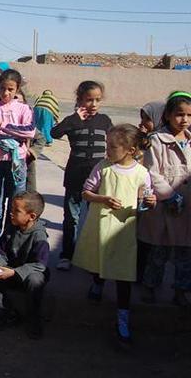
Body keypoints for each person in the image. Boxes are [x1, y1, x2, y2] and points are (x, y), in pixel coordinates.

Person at [74, 124, 154, 347]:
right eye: (107, 145)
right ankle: (97, 283)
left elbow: (145, 201)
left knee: (123, 274)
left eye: (112, 146)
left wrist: (149, 202)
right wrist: (103, 199)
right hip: (101, 226)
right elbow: (86, 192)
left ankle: (123, 320)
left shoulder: (141, 173)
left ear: (129, 149)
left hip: (124, 231)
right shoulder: (103, 167)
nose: (107, 150)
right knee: (99, 261)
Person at [50, 81, 112, 271]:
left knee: (96, 219)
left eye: (97, 100)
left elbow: (116, 141)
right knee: (71, 218)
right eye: (89, 100)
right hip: (75, 177)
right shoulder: (73, 120)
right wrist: (73, 118)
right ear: (80, 100)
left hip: (98, 180)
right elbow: (54, 133)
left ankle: (92, 256)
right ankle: (67, 255)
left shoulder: (104, 120)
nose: (93, 104)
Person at [138, 91, 191, 307]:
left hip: (187, 209)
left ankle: (180, 290)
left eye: (189, 115)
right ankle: (150, 288)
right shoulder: (157, 140)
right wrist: (170, 196)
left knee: (185, 255)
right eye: (179, 114)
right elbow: (152, 172)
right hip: (165, 206)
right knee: (158, 253)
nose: (184, 120)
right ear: (167, 115)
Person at [0, 191, 49, 339]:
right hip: (10, 271)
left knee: (36, 280)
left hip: (27, 275)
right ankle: (5, 313)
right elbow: (1, 251)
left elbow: (40, 265)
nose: (11, 214)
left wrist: (14, 273)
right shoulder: (12, 227)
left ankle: (33, 320)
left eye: (16, 211)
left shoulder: (39, 236)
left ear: (31, 216)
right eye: (11, 210)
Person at [0, 69, 35, 256]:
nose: (6, 93)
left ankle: (9, 248)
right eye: (3, 88)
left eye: (10, 89)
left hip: (17, 163)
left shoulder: (24, 109)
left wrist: (3, 127)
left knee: (16, 207)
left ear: (17, 89)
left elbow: (29, 132)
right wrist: (13, 137)